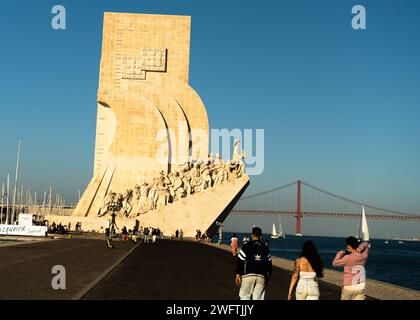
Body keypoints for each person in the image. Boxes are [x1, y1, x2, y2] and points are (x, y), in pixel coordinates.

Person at [235, 227, 272, 300]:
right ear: (261, 236)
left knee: (245, 296)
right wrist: (267, 277)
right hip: (261, 276)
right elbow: (269, 264)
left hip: (248, 275)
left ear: (252, 235)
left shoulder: (246, 246)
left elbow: (240, 261)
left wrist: (238, 274)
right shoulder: (265, 248)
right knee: (258, 298)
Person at [332, 236, 370, 300]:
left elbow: (334, 263)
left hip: (349, 287)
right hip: (360, 286)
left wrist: (339, 254)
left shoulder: (347, 258)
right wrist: (361, 247)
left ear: (349, 246)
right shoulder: (364, 255)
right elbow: (366, 244)